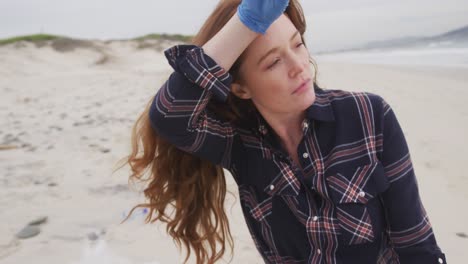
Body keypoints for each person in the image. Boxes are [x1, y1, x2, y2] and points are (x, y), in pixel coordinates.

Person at [121, 0, 447, 263]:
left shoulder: (368, 115)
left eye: (298, 44)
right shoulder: (239, 145)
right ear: (241, 88)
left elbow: (416, 245)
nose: (299, 66)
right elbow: (169, 115)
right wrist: (246, 23)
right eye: (273, 62)